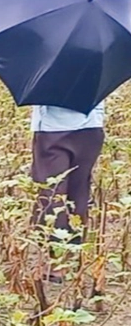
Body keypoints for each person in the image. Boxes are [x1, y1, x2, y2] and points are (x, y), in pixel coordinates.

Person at [31, 102, 106, 270]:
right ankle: (73, 256)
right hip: (92, 127)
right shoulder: (94, 74)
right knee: (79, 190)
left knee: (52, 193)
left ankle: (56, 263)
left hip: (53, 129)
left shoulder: (47, 75)